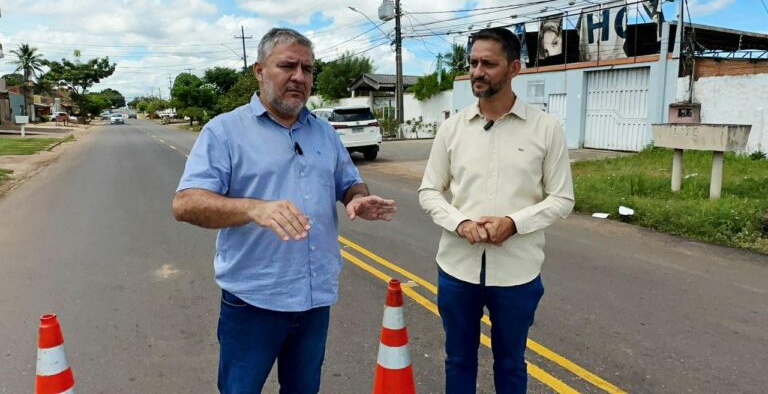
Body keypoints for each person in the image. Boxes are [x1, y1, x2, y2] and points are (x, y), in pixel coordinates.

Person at [172, 27, 397, 394]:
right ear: (260, 70)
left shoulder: (324, 132)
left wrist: (357, 197)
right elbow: (185, 204)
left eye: (307, 69)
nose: (299, 77)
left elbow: (348, 182)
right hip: (253, 300)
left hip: (314, 298)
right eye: (287, 66)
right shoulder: (224, 132)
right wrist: (253, 209)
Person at [418, 27, 574, 394]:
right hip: (457, 269)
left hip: (517, 273)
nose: (477, 71)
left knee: (511, 363)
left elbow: (562, 198)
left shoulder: (546, 129)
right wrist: (459, 223)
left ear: (514, 68)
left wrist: (514, 223)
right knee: (458, 360)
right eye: (473, 62)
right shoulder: (452, 129)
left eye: (489, 63)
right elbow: (429, 191)